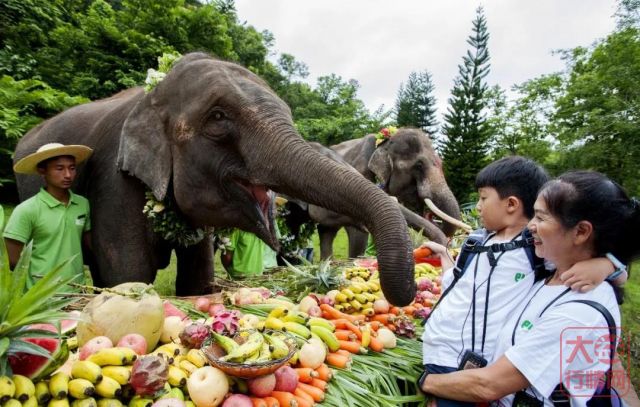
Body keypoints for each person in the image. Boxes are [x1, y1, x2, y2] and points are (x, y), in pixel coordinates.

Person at [419, 170, 640, 405]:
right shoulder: (549, 274)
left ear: (581, 232)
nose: (530, 226)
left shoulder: (579, 312)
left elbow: (489, 385)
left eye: (541, 218)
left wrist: (425, 382)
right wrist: (610, 263)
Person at [3, 143, 92, 290]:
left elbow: (89, 245)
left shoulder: (82, 204)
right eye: (59, 168)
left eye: (72, 168)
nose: (68, 175)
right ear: (42, 171)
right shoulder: (27, 210)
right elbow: (13, 260)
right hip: (40, 295)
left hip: (77, 292)